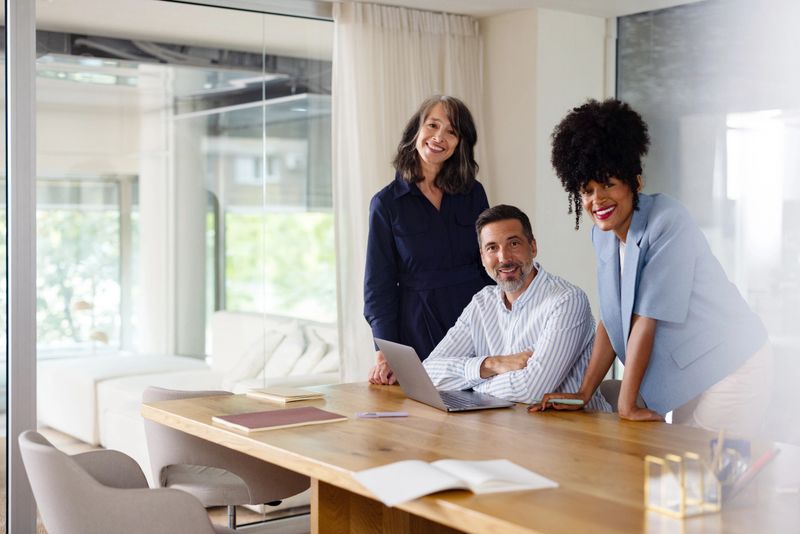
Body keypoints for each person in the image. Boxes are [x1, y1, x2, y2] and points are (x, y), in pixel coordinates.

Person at [531, 98, 772, 437]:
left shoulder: (667, 222)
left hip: (734, 362)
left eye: (609, 184)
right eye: (587, 191)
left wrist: (626, 405)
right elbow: (612, 320)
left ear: (636, 183)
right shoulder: (602, 238)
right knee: (683, 475)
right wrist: (583, 394)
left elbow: (647, 317)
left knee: (709, 474)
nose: (597, 200)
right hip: (694, 369)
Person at [422, 204, 610, 409]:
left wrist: (467, 387)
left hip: (573, 431)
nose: (504, 258)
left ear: (533, 247)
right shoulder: (481, 302)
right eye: (492, 248)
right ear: (483, 257)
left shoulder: (566, 300)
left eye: (513, 244)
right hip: (506, 429)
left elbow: (532, 391)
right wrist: (491, 364)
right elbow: (427, 372)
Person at [365, 95, 493, 385]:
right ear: (416, 131)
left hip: (474, 320)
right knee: (424, 416)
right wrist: (386, 351)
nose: (439, 137)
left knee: (482, 411)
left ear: (461, 142)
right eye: (432, 125)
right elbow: (378, 287)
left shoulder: (474, 193)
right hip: (417, 325)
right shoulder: (386, 204)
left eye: (451, 131)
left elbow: (490, 261)